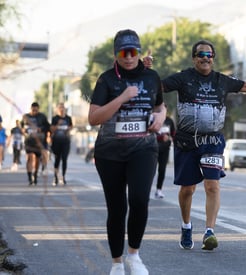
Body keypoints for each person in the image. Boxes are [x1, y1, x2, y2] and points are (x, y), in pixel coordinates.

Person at [148, 40, 246, 250]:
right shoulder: (183, 77)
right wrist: (146, 70)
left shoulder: (222, 80)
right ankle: (186, 226)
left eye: (209, 54)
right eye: (201, 54)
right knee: (188, 189)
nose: (206, 58)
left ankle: (209, 232)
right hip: (187, 141)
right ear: (194, 58)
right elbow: (157, 87)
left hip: (213, 140)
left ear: (213, 58)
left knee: (212, 185)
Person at [88, 29, 166, 275]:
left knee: (140, 200)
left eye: (133, 52)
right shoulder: (107, 79)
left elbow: (160, 106)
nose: (130, 57)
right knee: (117, 208)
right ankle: (117, 263)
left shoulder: (152, 77)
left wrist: (160, 117)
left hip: (143, 149)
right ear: (116, 53)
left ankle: (134, 255)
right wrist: (121, 98)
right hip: (109, 152)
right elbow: (93, 118)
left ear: (139, 52)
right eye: (124, 52)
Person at [21, 102, 50, 185]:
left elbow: (47, 126)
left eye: (36, 110)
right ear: (30, 109)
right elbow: (21, 126)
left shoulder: (42, 117)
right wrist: (22, 130)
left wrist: (41, 129)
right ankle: (30, 177)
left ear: (38, 109)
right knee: (29, 158)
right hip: (28, 141)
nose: (34, 112)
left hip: (38, 142)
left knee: (37, 159)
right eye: (33, 110)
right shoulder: (25, 117)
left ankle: (35, 174)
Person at [154, 106, 176, 199]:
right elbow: (149, 133)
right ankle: (144, 189)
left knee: (162, 170)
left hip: (165, 149)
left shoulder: (169, 121)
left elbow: (173, 134)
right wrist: (160, 138)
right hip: (153, 148)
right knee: (150, 171)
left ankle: (159, 189)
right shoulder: (153, 118)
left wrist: (172, 140)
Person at [50, 103, 73, 186]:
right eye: (60, 108)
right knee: (57, 160)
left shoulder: (68, 118)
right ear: (57, 109)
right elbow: (52, 129)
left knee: (64, 159)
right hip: (56, 142)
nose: (61, 109)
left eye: (63, 108)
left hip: (66, 142)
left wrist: (68, 129)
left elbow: (71, 127)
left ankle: (63, 177)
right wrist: (58, 124)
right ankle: (55, 177)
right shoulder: (55, 118)